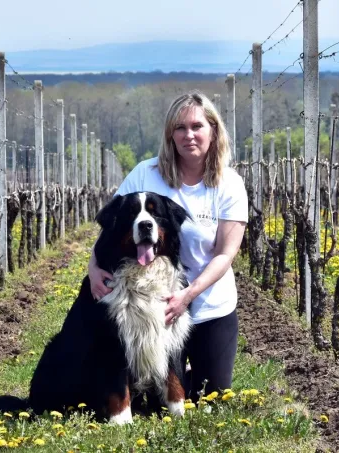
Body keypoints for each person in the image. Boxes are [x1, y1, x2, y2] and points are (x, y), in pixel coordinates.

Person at [87, 91, 248, 398]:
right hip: (151, 308)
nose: (189, 135)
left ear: (213, 131)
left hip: (208, 305)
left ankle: (183, 373)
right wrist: (93, 267)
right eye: (180, 128)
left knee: (211, 395)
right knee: (151, 396)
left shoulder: (230, 184)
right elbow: (113, 227)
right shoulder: (145, 174)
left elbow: (225, 254)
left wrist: (187, 295)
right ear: (170, 135)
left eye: (197, 126)